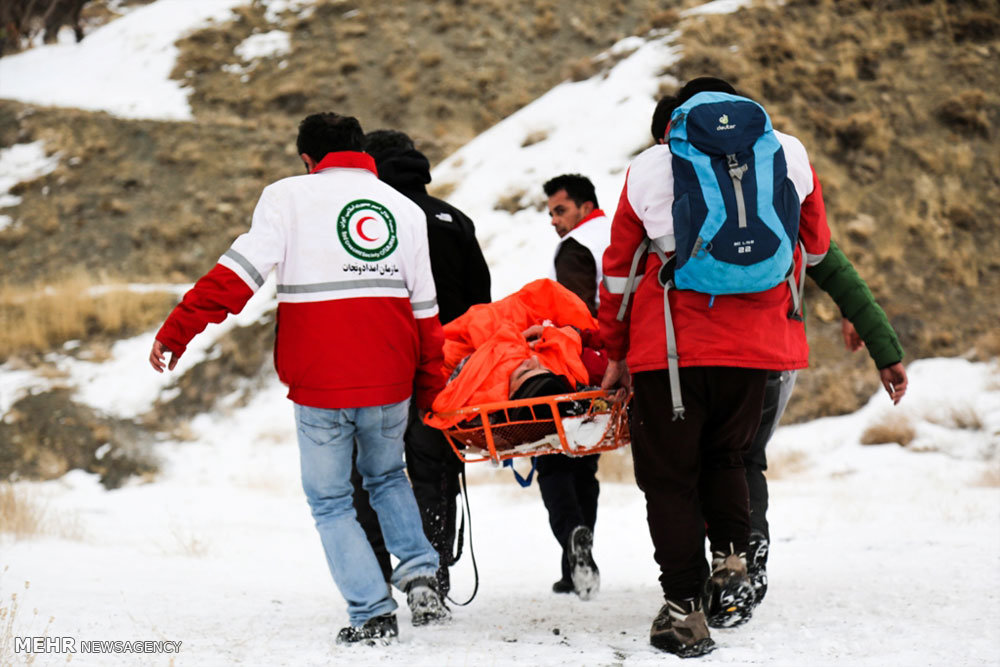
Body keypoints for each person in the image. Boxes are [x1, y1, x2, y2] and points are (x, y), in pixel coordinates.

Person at [148, 112, 450, 646]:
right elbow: (426, 311)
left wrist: (178, 330)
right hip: (391, 377)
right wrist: (430, 388)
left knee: (331, 499)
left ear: (308, 160)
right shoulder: (405, 210)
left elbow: (234, 279)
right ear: (363, 154)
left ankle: (373, 612)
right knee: (387, 477)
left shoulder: (286, 198)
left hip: (322, 382)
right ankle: (423, 576)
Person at [599, 77, 832, 657]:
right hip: (754, 349)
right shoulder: (788, 153)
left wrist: (615, 350)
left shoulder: (650, 167)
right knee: (729, 457)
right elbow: (818, 244)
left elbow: (619, 275)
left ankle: (683, 611)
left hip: (669, 354)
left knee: (670, 482)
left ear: (679, 118)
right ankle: (731, 562)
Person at [649, 91, 910, 609]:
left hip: (699, 356)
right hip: (775, 355)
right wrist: (884, 347)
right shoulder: (775, 192)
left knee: (707, 461)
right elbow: (831, 264)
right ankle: (748, 554)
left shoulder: (680, 195)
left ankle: (727, 564)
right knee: (742, 458)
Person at [349, 129, 492, 598]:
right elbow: (481, 306)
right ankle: (432, 579)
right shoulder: (456, 220)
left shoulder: (373, 222)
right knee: (436, 473)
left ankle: (375, 576)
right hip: (443, 370)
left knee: (370, 473)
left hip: (378, 368)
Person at [536, 174, 612, 599]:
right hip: (617, 370)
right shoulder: (617, 235)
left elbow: (572, 314)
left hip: (577, 368)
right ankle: (574, 567)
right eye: (550, 212)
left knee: (552, 462)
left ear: (584, 207)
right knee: (585, 465)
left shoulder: (576, 247)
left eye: (560, 210)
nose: (554, 220)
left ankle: (572, 541)